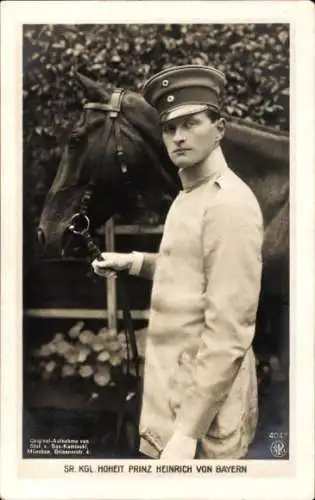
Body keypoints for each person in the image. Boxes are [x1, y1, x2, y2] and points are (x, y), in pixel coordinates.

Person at [92, 65, 263, 459]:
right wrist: (133, 262)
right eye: (169, 128)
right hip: (172, 393)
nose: (178, 137)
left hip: (207, 413)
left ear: (220, 128)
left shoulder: (228, 204)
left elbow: (229, 331)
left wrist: (188, 432)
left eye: (190, 124)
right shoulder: (191, 195)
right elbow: (191, 272)